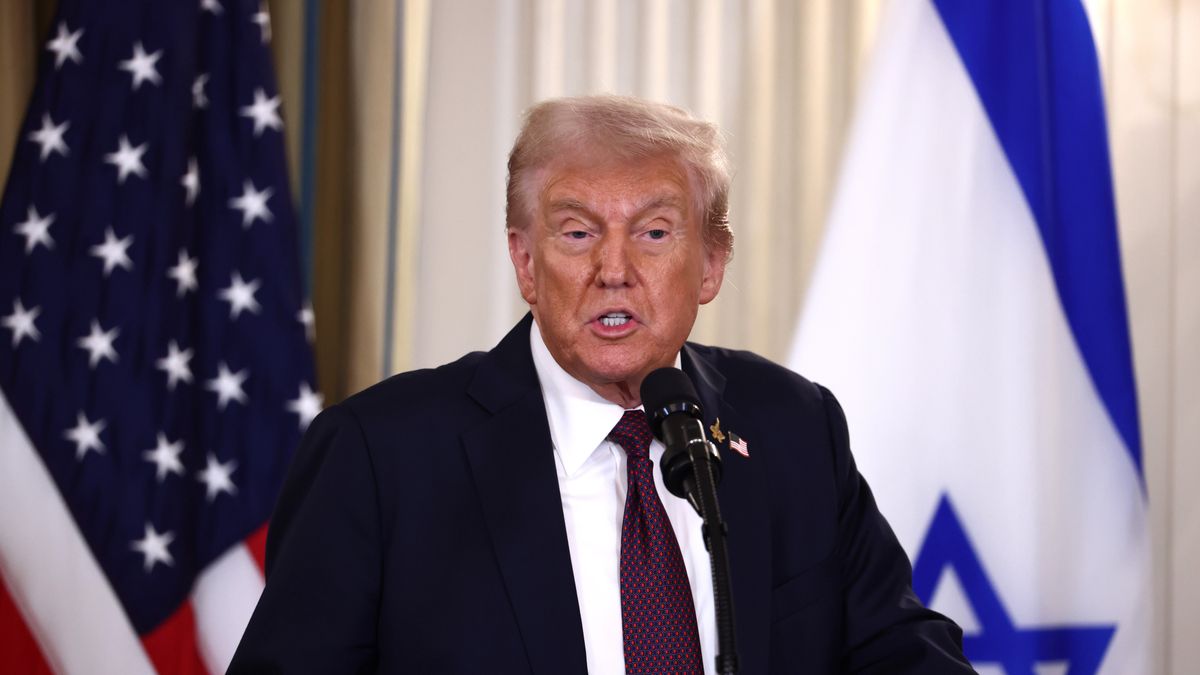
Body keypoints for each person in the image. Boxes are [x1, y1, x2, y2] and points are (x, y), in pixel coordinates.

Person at [229, 95, 973, 674]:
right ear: (526, 262)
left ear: (712, 263)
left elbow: (900, 650)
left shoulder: (791, 426)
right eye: (578, 232)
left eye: (654, 232)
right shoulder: (382, 456)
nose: (613, 270)